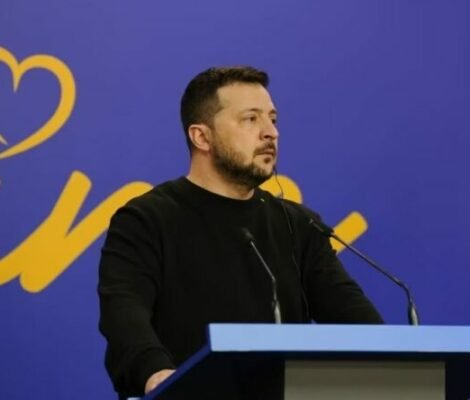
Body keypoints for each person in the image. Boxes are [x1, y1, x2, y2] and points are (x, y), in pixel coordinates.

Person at [98, 66, 382, 399]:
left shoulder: (299, 226)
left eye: (272, 119)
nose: (271, 133)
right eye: (251, 119)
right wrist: (155, 373)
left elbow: (359, 324)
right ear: (201, 137)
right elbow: (124, 315)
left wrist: (396, 359)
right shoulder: (145, 220)